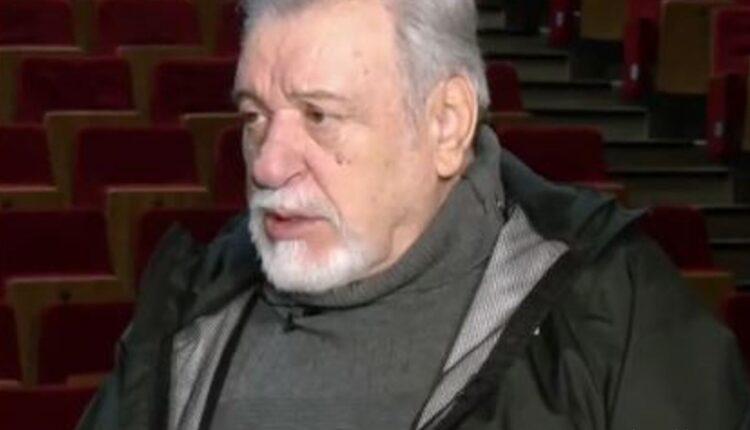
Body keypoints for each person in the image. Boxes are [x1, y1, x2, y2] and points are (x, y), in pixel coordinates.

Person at [77, 0, 750, 429]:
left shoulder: (615, 319)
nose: (269, 164)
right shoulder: (191, 307)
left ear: (446, 123)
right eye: (255, 116)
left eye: (320, 115)